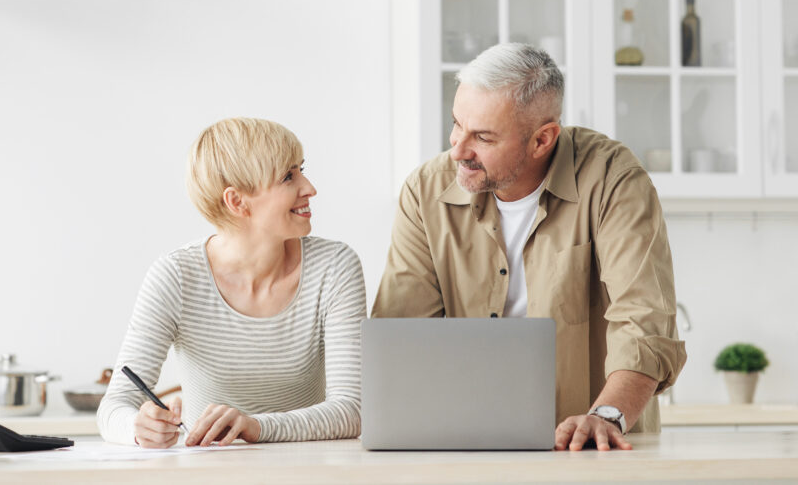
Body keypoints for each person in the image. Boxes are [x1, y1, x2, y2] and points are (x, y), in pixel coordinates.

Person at [372, 43, 686, 451]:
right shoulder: (425, 191)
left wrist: (606, 415)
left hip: (592, 448)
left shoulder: (613, 179)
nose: (458, 150)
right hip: (466, 444)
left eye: (482, 137)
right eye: (456, 124)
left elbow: (643, 319)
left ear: (542, 139)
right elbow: (401, 334)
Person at [98, 117, 366, 448]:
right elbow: (113, 407)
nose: (309, 187)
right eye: (288, 177)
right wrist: (138, 427)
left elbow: (351, 410)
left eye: (301, 169)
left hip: (307, 472)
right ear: (237, 202)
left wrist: (255, 427)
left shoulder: (335, 267)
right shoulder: (176, 276)